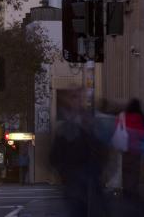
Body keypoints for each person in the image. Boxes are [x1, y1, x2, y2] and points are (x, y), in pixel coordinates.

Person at [51, 89, 106, 217]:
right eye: (75, 97)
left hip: (89, 178)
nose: (79, 101)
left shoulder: (91, 123)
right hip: (76, 179)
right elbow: (54, 155)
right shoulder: (67, 127)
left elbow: (101, 149)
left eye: (81, 98)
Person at [119, 99, 144, 200]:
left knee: (125, 170)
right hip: (136, 149)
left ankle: (126, 190)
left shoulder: (124, 116)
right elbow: (143, 134)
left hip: (125, 148)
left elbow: (118, 128)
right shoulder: (139, 118)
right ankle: (133, 191)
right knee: (135, 172)